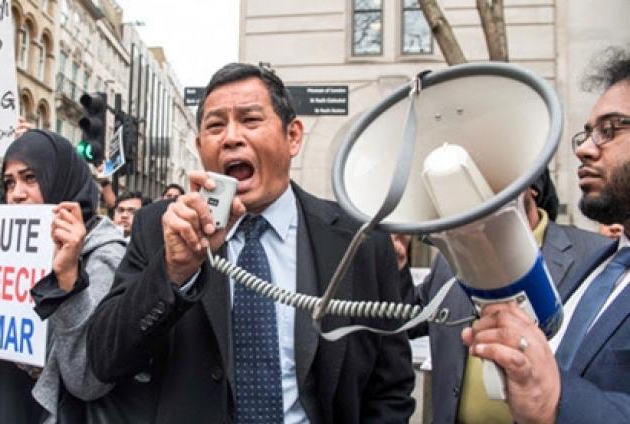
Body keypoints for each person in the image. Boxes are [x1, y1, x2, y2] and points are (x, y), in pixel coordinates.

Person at [86, 63, 415, 423]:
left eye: (250, 120)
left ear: (293, 137)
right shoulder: (159, 228)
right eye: (215, 126)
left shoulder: (360, 241)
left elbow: (390, 388)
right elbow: (105, 358)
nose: (231, 138)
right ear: (200, 147)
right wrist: (173, 271)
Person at [462, 47, 630, 423]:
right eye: (587, 133)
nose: (585, 149)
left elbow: (557, 393)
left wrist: (555, 397)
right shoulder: (601, 265)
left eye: (610, 129)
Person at [0, 130, 126, 424]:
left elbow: (87, 378)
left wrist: (68, 279)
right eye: (9, 182)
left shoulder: (103, 255)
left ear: (60, 177)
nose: (16, 193)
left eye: (30, 178)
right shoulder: (1, 246)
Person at [407, 169, 609, 423]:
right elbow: (405, 319)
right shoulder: (451, 260)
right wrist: (394, 260)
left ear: (532, 186)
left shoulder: (594, 255)